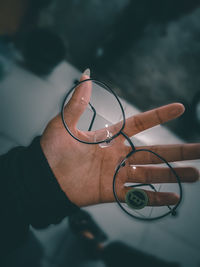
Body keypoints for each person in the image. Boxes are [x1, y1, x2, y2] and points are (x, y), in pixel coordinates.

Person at [0, 69, 199, 258]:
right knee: (29, 254)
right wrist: (32, 180)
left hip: (12, 237)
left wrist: (31, 177)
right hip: (14, 239)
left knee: (30, 254)